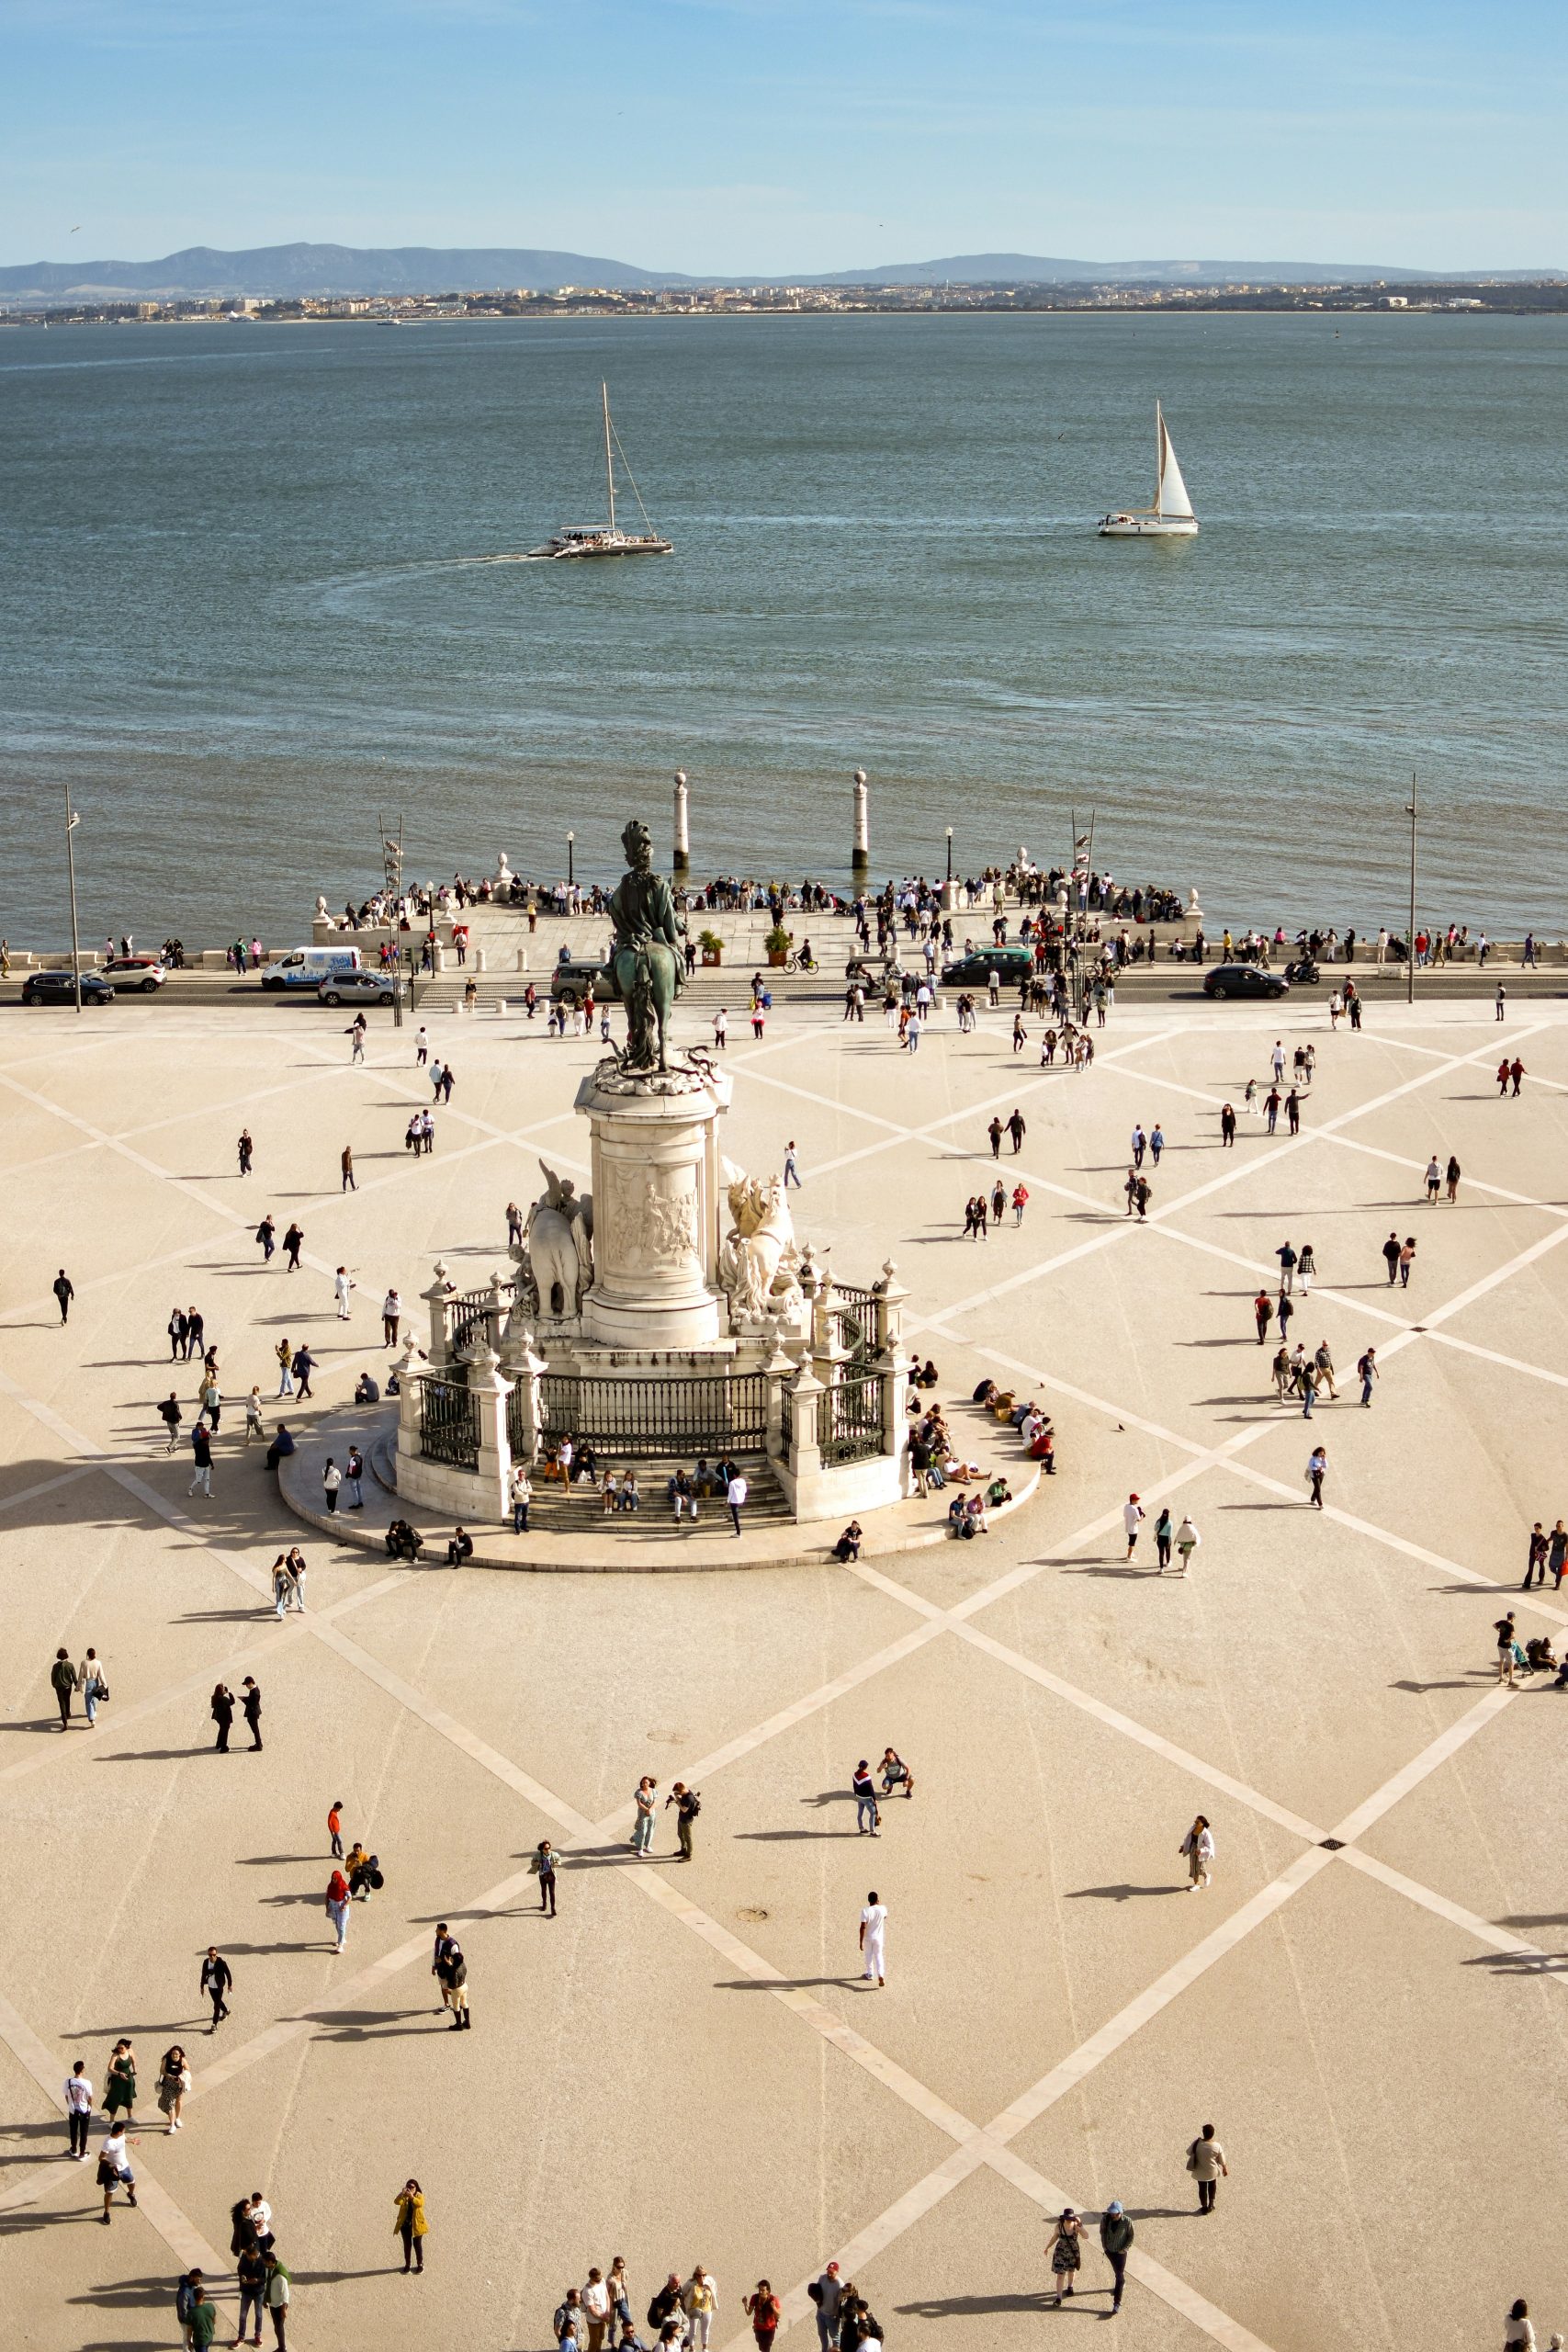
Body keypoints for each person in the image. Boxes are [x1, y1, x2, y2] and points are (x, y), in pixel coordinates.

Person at [96, 2114, 136, 2222]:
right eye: (123, 2131)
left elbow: (124, 2139)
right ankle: (106, 2212)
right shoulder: (108, 2143)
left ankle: (131, 2194)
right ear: (118, 2132)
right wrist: (111, 2166)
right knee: (110, 2192)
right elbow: (101, 2158)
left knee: (132, 2182)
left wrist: (131, 2140)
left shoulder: (121, 2136)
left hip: (125, 2167)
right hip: (113, 2172)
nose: (124, 2133)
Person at [1099, 2201, 1134, 2314]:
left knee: (1119, 2275)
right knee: (1117, 2272)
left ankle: (1116, 2303)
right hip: (1109, 2250)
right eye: (1111, 2213)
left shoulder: (1127, 2221)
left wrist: (1124, 2249)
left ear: (1120, 2212)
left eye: (1115, 2214)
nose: (1113, 2216)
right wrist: (1104, 2246)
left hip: (1120, 2252)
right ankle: (1122, 2281)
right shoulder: (1106, 2219)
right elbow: (1102, 2232)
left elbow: (1131, 2236)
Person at [1188, 2121, 1228, 2212]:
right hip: (1212, 2172)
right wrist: (1225, 2168)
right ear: (1213, 2134)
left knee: (1202, 2188)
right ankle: (1211, 2204)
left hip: (1199, 2171)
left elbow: (1188, 2152)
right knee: (1212, 2186)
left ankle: (1204, 2206)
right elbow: (1222, 2159)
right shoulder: (1216, 2146)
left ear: (1203, 2133)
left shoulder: (1197, 2143)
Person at [1045, 2208, 1083, 2305]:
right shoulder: (1059, 2226)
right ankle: (1058, 2298)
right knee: (1060, 2275)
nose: (1068, 2220)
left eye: (1070, 2218)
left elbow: (1086, 2236)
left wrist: (1080, 2224)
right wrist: (1047, 2247)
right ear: (1064, 2218)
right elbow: (1054, 2237)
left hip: (1073, 2253)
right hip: (1060, 2253)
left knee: (1071, 2271)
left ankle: (1070, 2287)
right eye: (1067, 2218)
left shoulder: (1076, 2226)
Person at [394, 2179, 428, 2273]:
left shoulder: (419, 2196)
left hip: (417, 2226)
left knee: (417, 2245)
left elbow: (420, 2204)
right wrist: (402, 2194)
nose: (410, 2188)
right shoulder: (404, 2196)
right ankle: (408, 2264)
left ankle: (420, 2264)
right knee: (407, 2246)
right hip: (405, 2226)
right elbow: (397, 2202)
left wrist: (412, 2197)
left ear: (416, 2188)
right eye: (408, 2186)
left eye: (412, 2187)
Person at [63, 2057, 94, 2159]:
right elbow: (90, 2098)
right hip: (84, 2110)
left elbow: (66, 2096)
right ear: (82, 2070)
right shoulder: (87, 2083)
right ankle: (82, 2153)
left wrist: (70, 2105)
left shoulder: (68, 2082)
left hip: (73, 2110)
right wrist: (90, 2107)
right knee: (84, 2133)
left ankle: (73, 2149)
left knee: (73, 2130)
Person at [156, 2043, 190, 2132]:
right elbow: (162, 2071)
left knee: (179, 2101)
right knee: (170, 2104)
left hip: (179, 2084)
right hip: (168, 2083)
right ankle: (172, 2125)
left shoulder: (182, 2060)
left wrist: (181, 2077)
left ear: (180, 2054)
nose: (174, 2055)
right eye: (173, 2054)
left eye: (176, 2054)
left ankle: (177, 2118)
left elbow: (187, 2069)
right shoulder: (166, 2060)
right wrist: (169, 2075)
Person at [263, 2251, 291, 2349]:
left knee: (279, 2327)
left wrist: (284, 2309)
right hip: (273, 2303)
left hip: (280, 2305)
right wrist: (265, 2299)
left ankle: (282, 2348)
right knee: (276, 2326)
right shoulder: (269, 2268)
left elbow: (285, 2294)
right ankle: (281, 2347)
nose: (263, 2263)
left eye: (265, 2261)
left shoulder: (280, 2275)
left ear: (271, 2262)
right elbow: (267, 2283)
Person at [1180, 1814, 1215, 1890]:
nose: (1195, 1823)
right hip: (1193, 1848)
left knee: (1200, 1868)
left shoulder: (1206, 1833)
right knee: (1193, 1867)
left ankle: (1206, 1875)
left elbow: (1210, 1846)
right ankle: (1196, 1884)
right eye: (1195, 1821)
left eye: (1198, 1822)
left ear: (1203, 1823)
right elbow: (1187, 1838)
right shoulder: (1193, 1828)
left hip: (1202, 1851)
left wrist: (1201, 1850)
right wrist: (1183, 1846)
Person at [200, 1946, 232, 2030]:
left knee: (216, 2006)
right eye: (210, 1955)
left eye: (214, 1955)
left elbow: (228, 1974)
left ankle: (214, 2024)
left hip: (219, 1986)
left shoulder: (221, 1962)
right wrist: (202, 1986)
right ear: (208, 1954)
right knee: (217, 2001)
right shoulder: (205, 1962)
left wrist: (229, 1985)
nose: (212, 1957)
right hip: (211, 1986)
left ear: (216, 1954)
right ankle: (226, 2010)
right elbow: (203, 1974)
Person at [860, 1889, 886, 1986]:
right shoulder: (883, 1909)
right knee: (879, 1956)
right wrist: (879, 1905)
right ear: (877, 1900)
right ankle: (881, 1975)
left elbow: (863, 1927)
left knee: (868, 1955)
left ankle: (870, 1974)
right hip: (878, 1938)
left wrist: (860, 1941)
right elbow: (884, 1917)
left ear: (868, 1900)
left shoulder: (865, 1911)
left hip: (868, 1938)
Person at [668, 1782, 701, 1861]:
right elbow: (681, 1802)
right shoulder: (685, 1794)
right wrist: (676, 1796)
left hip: (686, 1821)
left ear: (682, 1790)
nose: (679, 1794)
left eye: (679, 1792)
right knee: (680, 1834)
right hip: (681, 1818)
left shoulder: (689, 1798)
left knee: (688, 1838)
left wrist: (677, 1802)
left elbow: (684, 1809)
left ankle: (688, 1855)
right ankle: (683, 1849)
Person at [51, 1646, 76, 1730]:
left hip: (59, 1687)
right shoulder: (70, 1665)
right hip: (68, 1686)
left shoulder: (55, 1666)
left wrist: (54, 1685)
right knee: (67, 1699)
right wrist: (77, 1686)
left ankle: (65, 1722)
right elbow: (74, 1677)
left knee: (61, 1703)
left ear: (58, 1656)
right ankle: (68, 1713)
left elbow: (53, 1677)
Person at [852, 1758, 880, 1837]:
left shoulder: (854, 1775)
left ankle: (861, 1828)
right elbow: (871, 1789)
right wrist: (875, 1799)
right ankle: (872, 1831)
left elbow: (854, 1786)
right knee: (873, 1813)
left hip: (858, 1797)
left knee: (860, 1813)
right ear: (865, 1767)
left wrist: (855, 1795)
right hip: (866, 1798)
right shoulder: (867, 1777)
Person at [533, 1838, 558, 1916]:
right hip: (542, 1875)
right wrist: (537, 1863)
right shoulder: (538, 1855)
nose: (548, 1850)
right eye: (546, 1848)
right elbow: (532, 1862)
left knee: (552, 1892)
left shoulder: (553, 1854)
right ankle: (544, 1904)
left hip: (551, 1875)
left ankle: (553, 1908)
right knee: (543, 1891)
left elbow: (559, 1859)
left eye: (549, 1848)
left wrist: (557, 1863)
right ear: (542, 1849)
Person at [189, 1419, 214, 1498]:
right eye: (207, 1440)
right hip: (200, 1465)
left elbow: (208, 1456)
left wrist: (211, 1464)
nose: (208, 1441)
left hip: (206, 1465)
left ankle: (207, 1493)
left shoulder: (205, 1445)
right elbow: (194, 1439)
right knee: (198, 1480)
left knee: (207, 1479)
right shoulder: (198, 1446)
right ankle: (190, 1489)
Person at [210, 1681, 235, 1751]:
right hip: (225, 1718)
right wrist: (229, 1693)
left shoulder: (214, 1697)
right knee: (225, 1731)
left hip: (219, 1718)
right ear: (221, 1691)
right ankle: (224, 1747)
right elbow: (232, 1702)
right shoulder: (223, 1699)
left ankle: (218, 1744)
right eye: (224, 1689)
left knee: (221, 1730)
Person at [241, 1676, 263, 1751]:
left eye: (247, 1685)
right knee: (255, 1728)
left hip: (253, 1712)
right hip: (253, 1712)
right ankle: (258, 1743)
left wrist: (244, 1699)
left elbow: (253, 1703)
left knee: (255, 1729)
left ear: (250, 1683)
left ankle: (259, 1744)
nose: (246, 1686)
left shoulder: (255, 1691)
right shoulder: (254, 1690)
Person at [511, 1464, 532, 1535]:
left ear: (524, 1475)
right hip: (519, 1502)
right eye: (520, 1474)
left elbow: (530, 1489)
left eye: (522, 1474)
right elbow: (517, 1492)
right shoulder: (515, 1483)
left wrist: (522, 1490)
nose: (521, 1476)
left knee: (525, 1516)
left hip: (526, 1502)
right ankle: (517, 1529)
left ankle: (524, 1527)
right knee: (518, 1517)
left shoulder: (527, 1481)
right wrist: (525, 1491)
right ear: (518, 1475)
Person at [1122, 1492, 1145, 1560]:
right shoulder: (1134, 1509)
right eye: (1136, 1499)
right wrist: (1142, 1516)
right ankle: (1129, 1557)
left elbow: (1124, 1515)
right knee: (1132, 1544)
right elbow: (1138, 1519)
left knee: (1130, 1541)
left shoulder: (1126, 1506)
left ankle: (1131, 1553)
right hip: (1133, 1529)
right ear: (1132, 1500)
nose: (1137, 1500)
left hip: (1128, 1527)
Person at [727, 1465, 748, 1536]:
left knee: (736, 1516)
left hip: (734, 1501)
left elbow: (730, 1494)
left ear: (734, 1475)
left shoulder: (732, 1483)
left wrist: (727, 1501)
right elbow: (745, 1491)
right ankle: (732, 1516)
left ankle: (738, 1533)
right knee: (735, 1513)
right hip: (741, 1499)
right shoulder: (743, 1481)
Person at [1306, 1445, 1327, 1509]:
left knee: (1317, 1488)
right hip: (1314, 1475)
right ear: (1317, 1452)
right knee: (1318, 1489)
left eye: (1323, 1453)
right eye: (1320, 1453)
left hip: (1321, 1474)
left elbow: (1325, 1466)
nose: (1322, 1454)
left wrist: (1324, 1460)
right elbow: (1311, 1466)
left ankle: (1313, 1499)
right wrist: (1317, 1468)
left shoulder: (1322, 1458)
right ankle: (1320, 1504)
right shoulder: (1313, 1458)